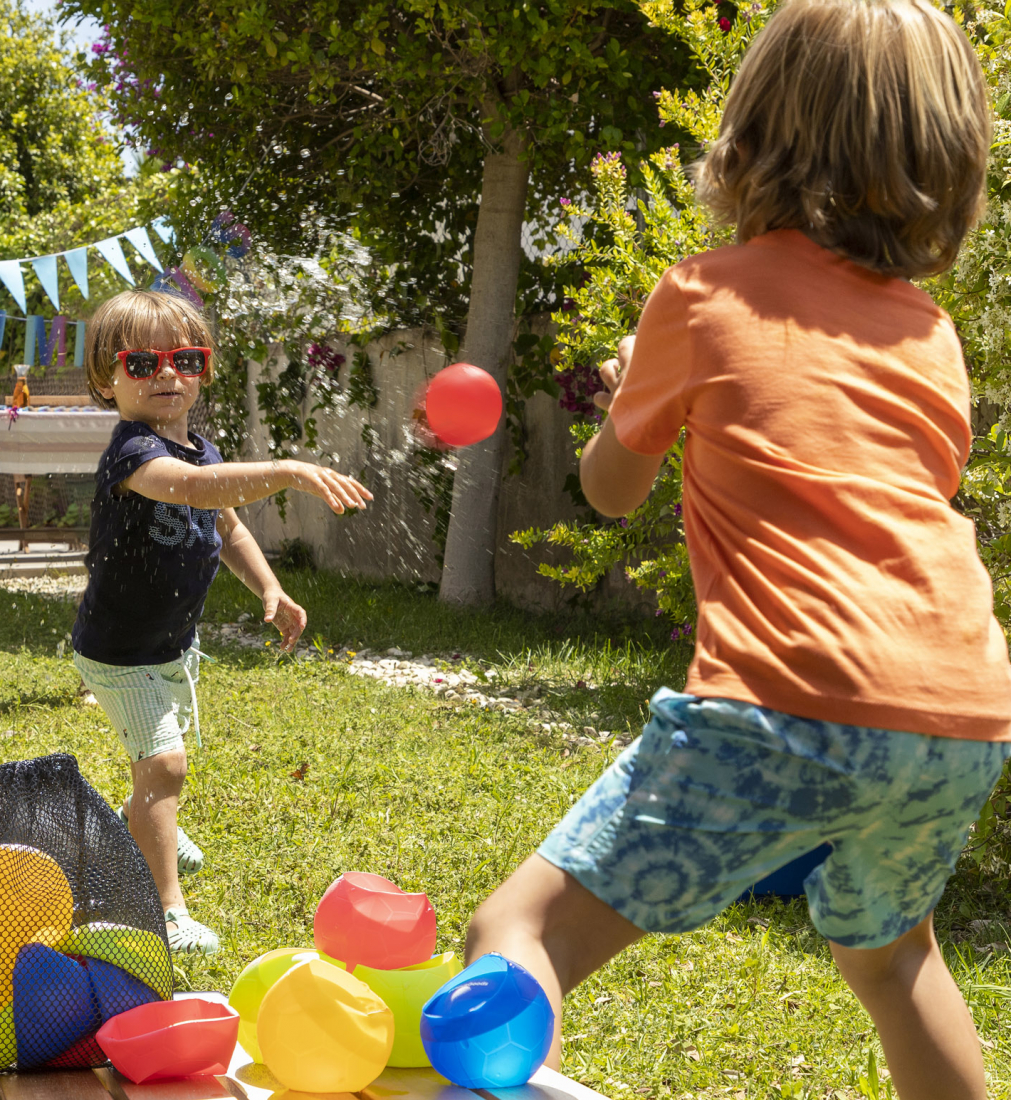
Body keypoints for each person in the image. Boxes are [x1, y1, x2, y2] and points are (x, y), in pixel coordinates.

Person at [464, 2, 1011, 1097]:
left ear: (754, 130)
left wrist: (636, 388)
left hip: (784, 702)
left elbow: (608, 491)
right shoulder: (928, 334)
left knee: (519, 929)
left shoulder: (700, 295)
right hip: (960, 714)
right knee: (891, 955)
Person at [71, 288, 372, 955]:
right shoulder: (133, 453)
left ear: (203, 369)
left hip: (172, 646)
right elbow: (194, 491)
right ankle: (165, 911)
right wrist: (288, 470)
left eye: (187, 358)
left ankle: (136, 830)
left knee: (160, 769)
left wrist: (270, 586)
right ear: (105, 378)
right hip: (118, 651)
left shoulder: (204, 450)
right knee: (165, 764)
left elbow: (225, 520)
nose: (169, 374)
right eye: (143, 363)